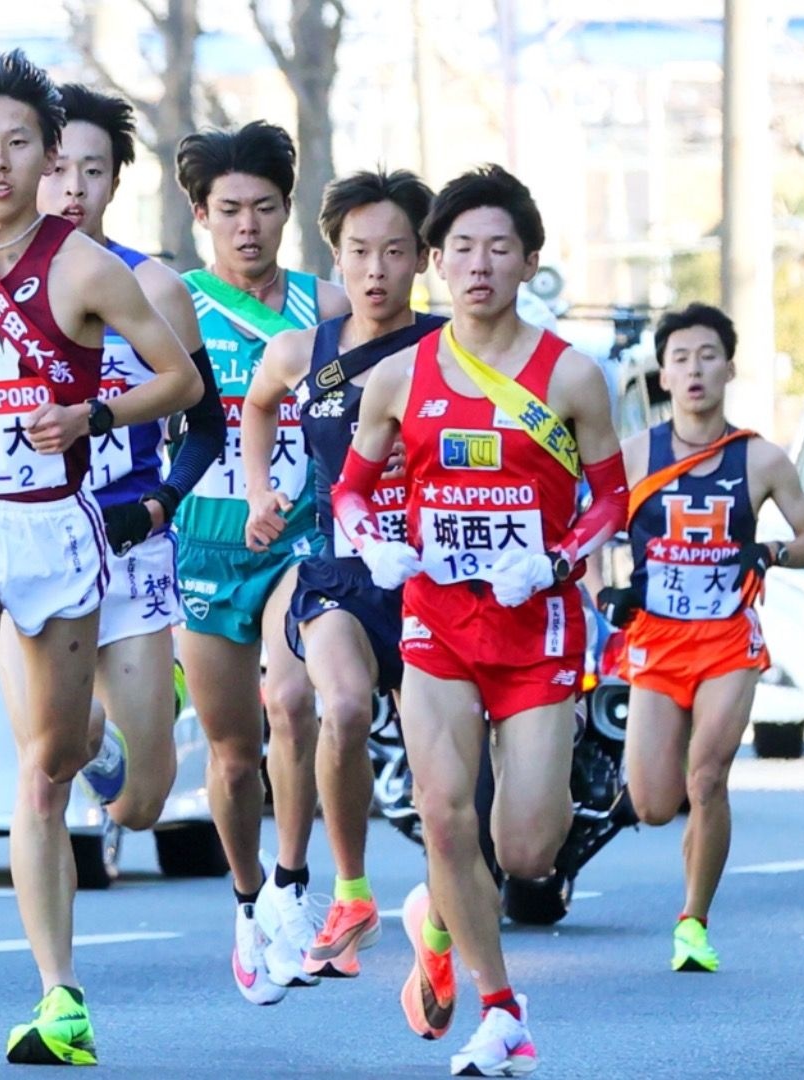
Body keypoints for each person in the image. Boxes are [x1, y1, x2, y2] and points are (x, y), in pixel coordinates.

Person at [0, 51, 201, 1066]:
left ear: (49, 156)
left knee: (49, 771)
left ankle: (61, 996)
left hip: (57, 527)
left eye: (19, 143)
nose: (0, 162)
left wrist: (92, 410)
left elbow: (183, 384)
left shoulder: (84, 268)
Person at [0, 84, 225, 830]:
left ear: (112, 180)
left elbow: (204, 417)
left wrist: (155, 497)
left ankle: (114, 729)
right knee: (37, 764)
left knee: (140, 804)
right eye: (63, 171)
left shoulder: (147, 285)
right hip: (18, 528)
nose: (72, 188)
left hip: (127, 532)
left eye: (91, 172)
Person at [332, 164, 628, 1075]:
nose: (478, 265)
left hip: (533, 630)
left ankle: (437, 910)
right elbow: (350, 491)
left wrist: (554, 559)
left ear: (528, 261)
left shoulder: (571, 376)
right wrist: (375, 545)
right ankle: (500, 1012)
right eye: (460, 248)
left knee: (526, 849)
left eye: (499, 248)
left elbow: (613, 501)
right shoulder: (396, 376)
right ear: (436, 261)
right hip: (437, 628)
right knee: (444, 812)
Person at [239, 168, 444, 982]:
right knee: (344, 705)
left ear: (422, 259)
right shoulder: (302, 352)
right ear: (335, 254)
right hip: (336, 570)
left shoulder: (447, 347)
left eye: (395, 251)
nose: (375, 270)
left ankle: (439, 918)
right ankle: (350, 890)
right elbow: (257, 404)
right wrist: (263, 490)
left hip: (432, 578)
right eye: (358, 251)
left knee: (442, 774)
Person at [170, 119, 350, 1001]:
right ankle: (246, 903)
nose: (248, 226)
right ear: (201, 214)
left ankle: (291, 883)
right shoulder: (175, 303)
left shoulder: (332, 304)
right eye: (230, 209)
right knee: (233, 751)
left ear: (290, 213)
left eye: (266, 208)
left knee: (293, 697)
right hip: (206, 538)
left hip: (303, 535)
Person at [595, 303, 804, 973]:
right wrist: (605, 591)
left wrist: (772, 554)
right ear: (662, 375)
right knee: (651, 801)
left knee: (707, 777)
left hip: (728, 641)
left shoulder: (761, 458)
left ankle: (692, 923)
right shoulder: (635, 455)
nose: (694, 370)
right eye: (680, 359)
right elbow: (590, 535)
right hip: (656, 643)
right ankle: (686, 856)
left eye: (707, 357)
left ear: (730, 368)